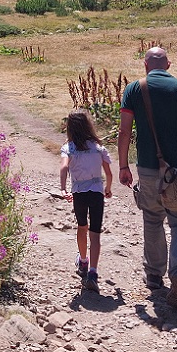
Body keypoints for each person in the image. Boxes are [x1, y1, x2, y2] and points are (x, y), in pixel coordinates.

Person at [117, 47, 177, 308]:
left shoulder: (134, 89)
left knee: (152, 220)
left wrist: (123, 165)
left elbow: (124, 131)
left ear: (145, 65)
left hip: (148, 168)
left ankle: (153, 276)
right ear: (168, 65)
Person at [59, 110, 114, 292]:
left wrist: (63, 189)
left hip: (79, 194)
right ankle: (93, 272)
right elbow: (109, 173)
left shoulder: (69, 148)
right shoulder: (98, 148)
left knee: (82, 226)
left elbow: (64, 167)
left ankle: (83, 261)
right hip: (96, 193)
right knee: (95, 233)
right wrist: (108, 188)